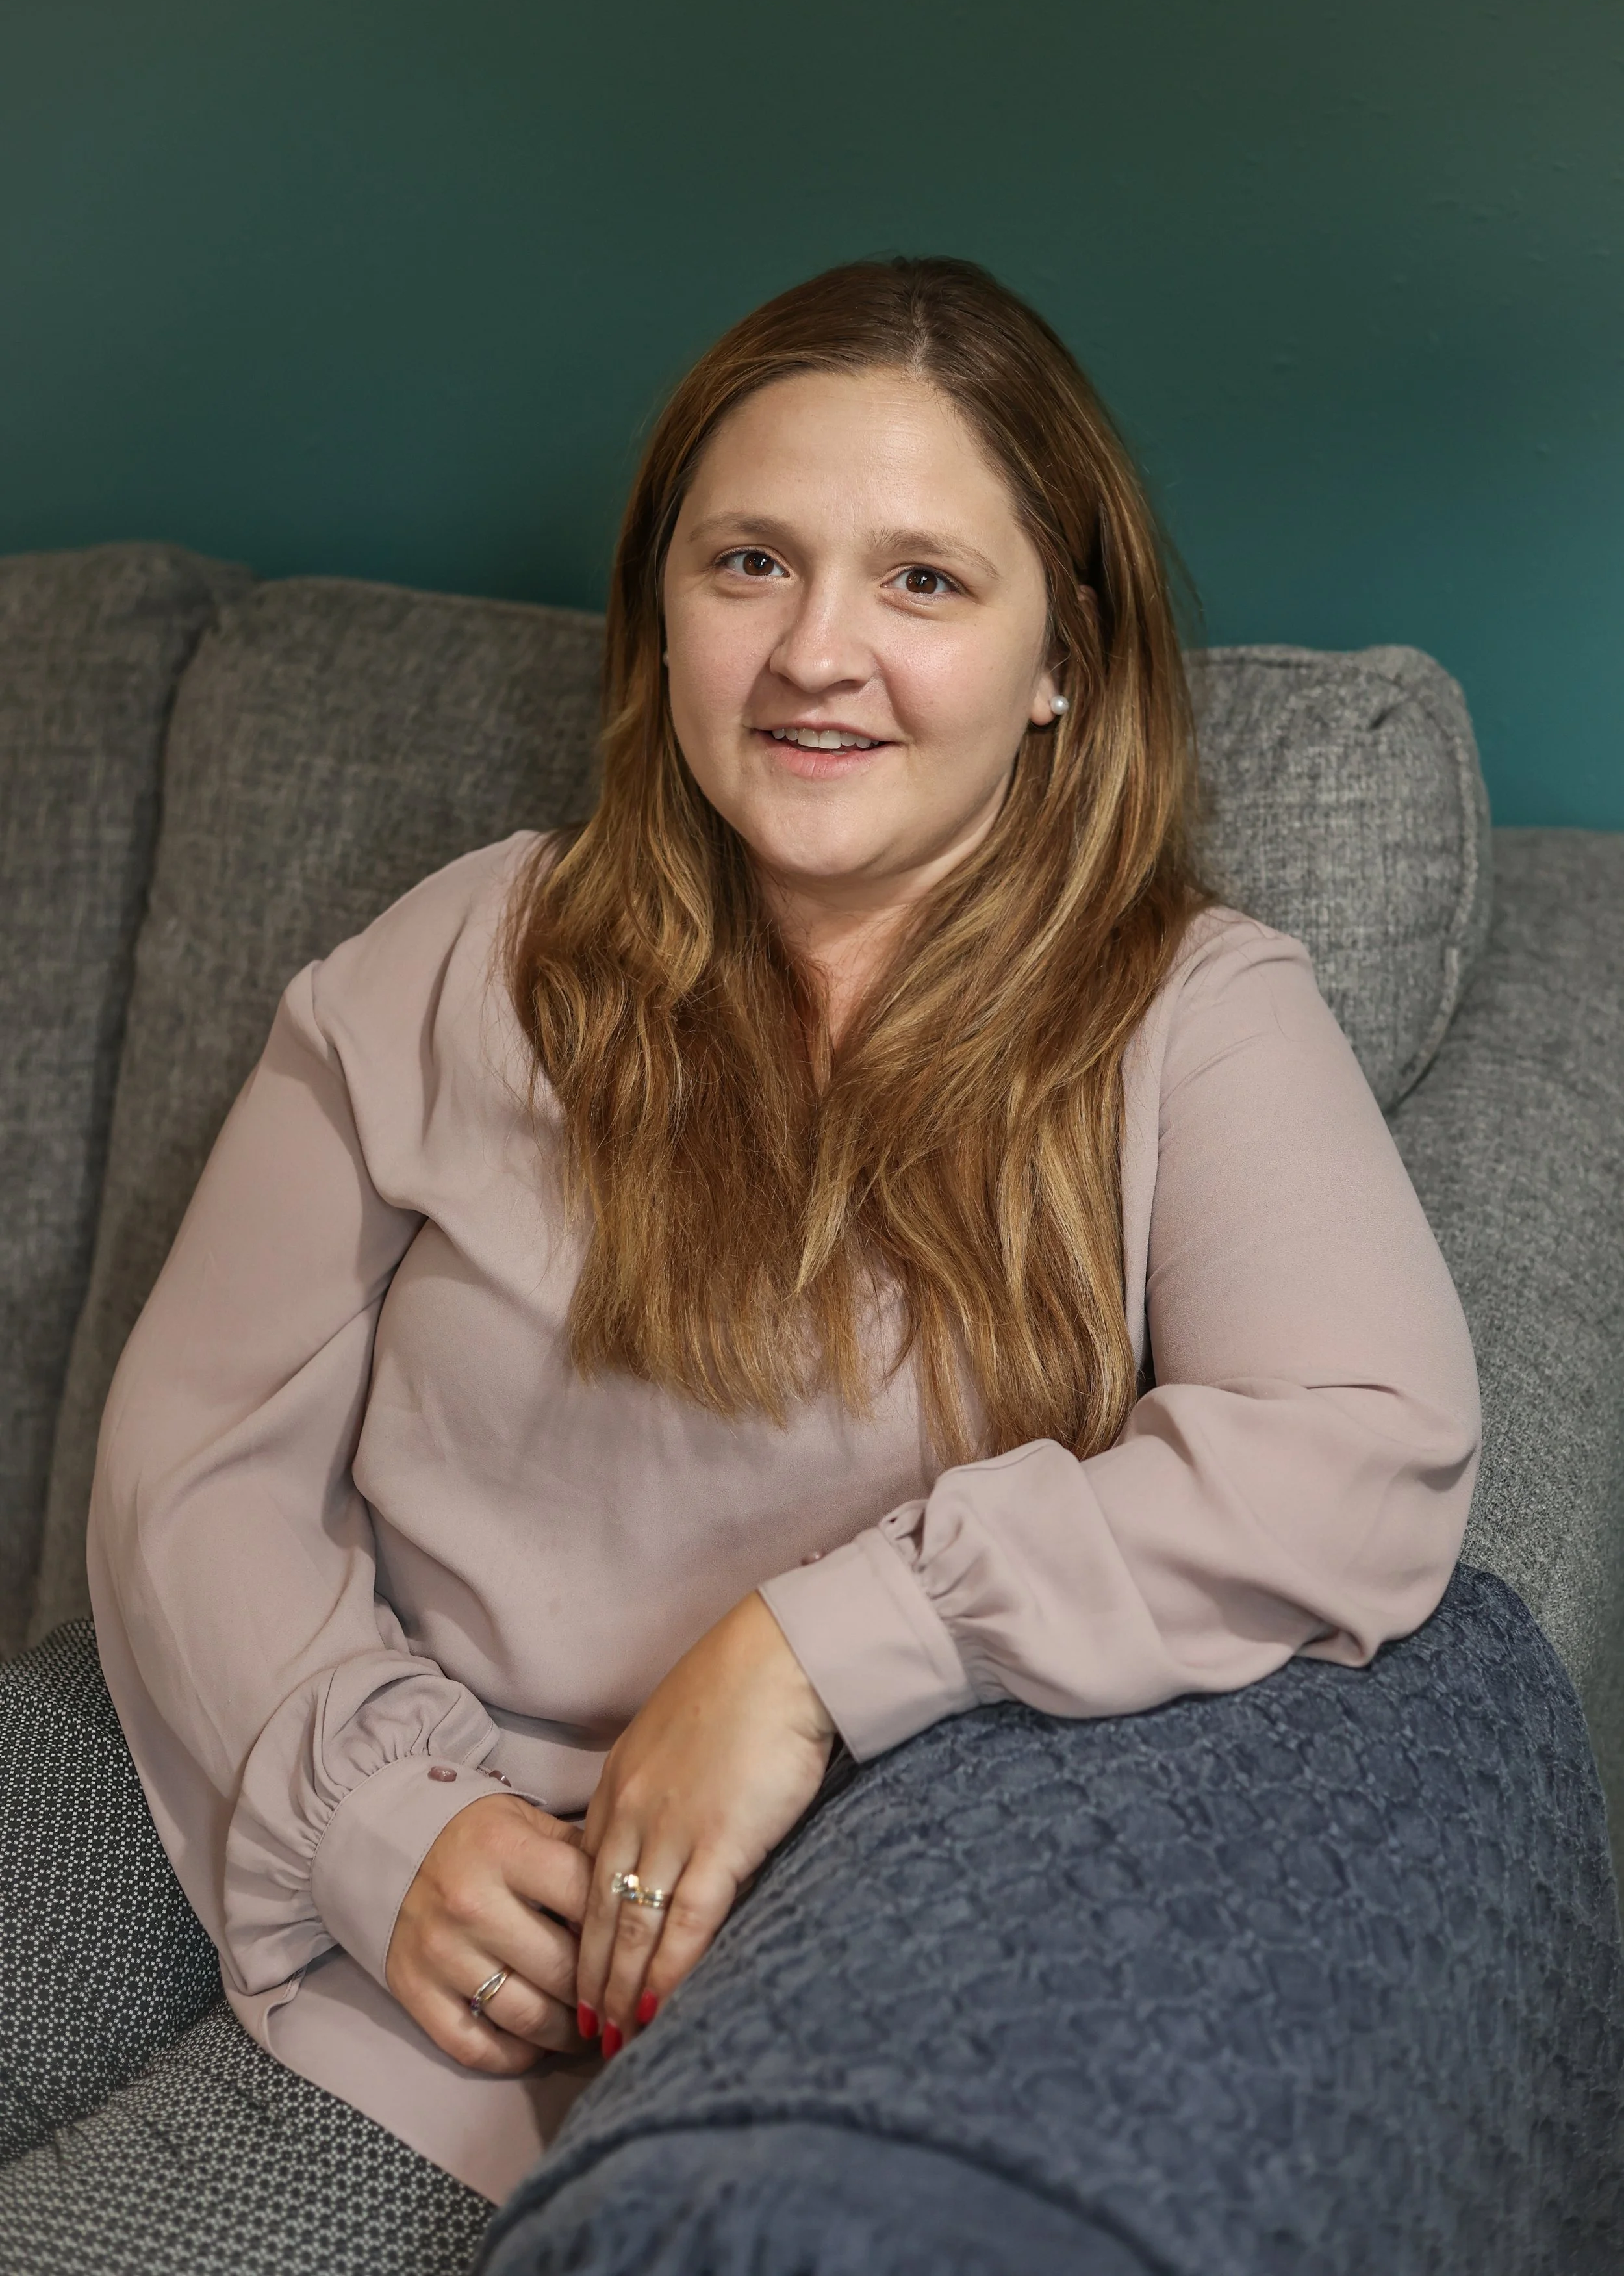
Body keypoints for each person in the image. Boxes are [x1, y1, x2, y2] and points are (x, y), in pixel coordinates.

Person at [86, 257, 1478, 2209]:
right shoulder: (465, 953)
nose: (817, 650)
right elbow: (191, 1450)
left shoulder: (1189, 1013)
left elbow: (1363, 1448)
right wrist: (373, 1815)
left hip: (760, 1953)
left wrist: (813, 1646)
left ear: (1060, 656)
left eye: (921, 579)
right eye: (750, 562)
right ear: (659, 615)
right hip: (302, 1766)